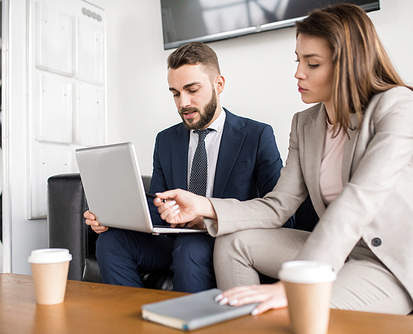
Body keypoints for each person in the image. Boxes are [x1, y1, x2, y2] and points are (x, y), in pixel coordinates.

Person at [155, 4, 413, 314]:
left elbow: (360, 198)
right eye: (298, 60)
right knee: (232, 241)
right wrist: (206, 206)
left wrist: (296, 285)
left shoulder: (397, 105)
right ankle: (241, 322)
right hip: (341, 250)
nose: (298, 72)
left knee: (300, 307)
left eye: (313, 63)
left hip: (395, 258)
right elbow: (277, 206)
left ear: (347, 63)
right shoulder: (305, 123)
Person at [84, 42, 294, 293]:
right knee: (110, 241)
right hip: (173, 239)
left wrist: (208, 216)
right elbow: (158, 204)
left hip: (223, 237)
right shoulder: (166, 140)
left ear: (219, 84)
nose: (183, 102)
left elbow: (283, 215)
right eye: (175, 93)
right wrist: (112, 218)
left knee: (190, 248)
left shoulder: (257, 135)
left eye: (192, 90)